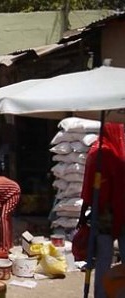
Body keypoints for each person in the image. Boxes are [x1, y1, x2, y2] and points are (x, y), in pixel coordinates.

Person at [77, 122, 125, 298]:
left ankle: (101, 295)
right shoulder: (118, 152)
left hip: (103, 213)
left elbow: (88, 186)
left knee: (103, 260)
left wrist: (83, 213)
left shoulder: (96, 152)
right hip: (119, 212)